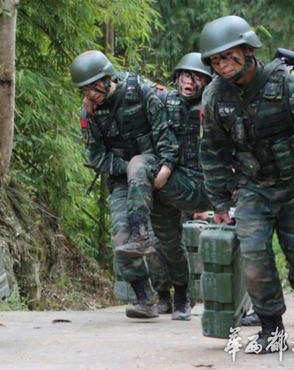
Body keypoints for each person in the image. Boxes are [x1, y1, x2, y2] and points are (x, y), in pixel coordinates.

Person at [199, 15, 294, 353]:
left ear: (248, 50)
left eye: (229, 56)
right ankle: (271, 329)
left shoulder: (290, 84)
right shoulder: (214, 98)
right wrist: (219, 203)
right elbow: (213, 153)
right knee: (253, 257)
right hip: (254, 188)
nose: (223, 65)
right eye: (216, 60)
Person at [74, 50, 212, 321]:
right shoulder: (90, 113)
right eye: (85, 90)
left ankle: (181, 294)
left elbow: (167, 131)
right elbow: (97, 156)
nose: (91, 94)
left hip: (156, 172)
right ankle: (144, 299)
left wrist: (165, 167)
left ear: (108, 78)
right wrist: (129, 169)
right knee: (121, 239)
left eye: (94, 86)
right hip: (124, 178)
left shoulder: (140, 91)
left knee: (167, 240)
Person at [144, 53, 212, 314]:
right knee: (161, 242)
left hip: (203, 184)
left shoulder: (216, 105)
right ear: (177, 78)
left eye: (197, 77)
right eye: (185, 76)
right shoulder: (163, 100)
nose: (190, 82)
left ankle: (183, 294)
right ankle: (167, 295)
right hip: (169, 182)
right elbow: (128, 88)